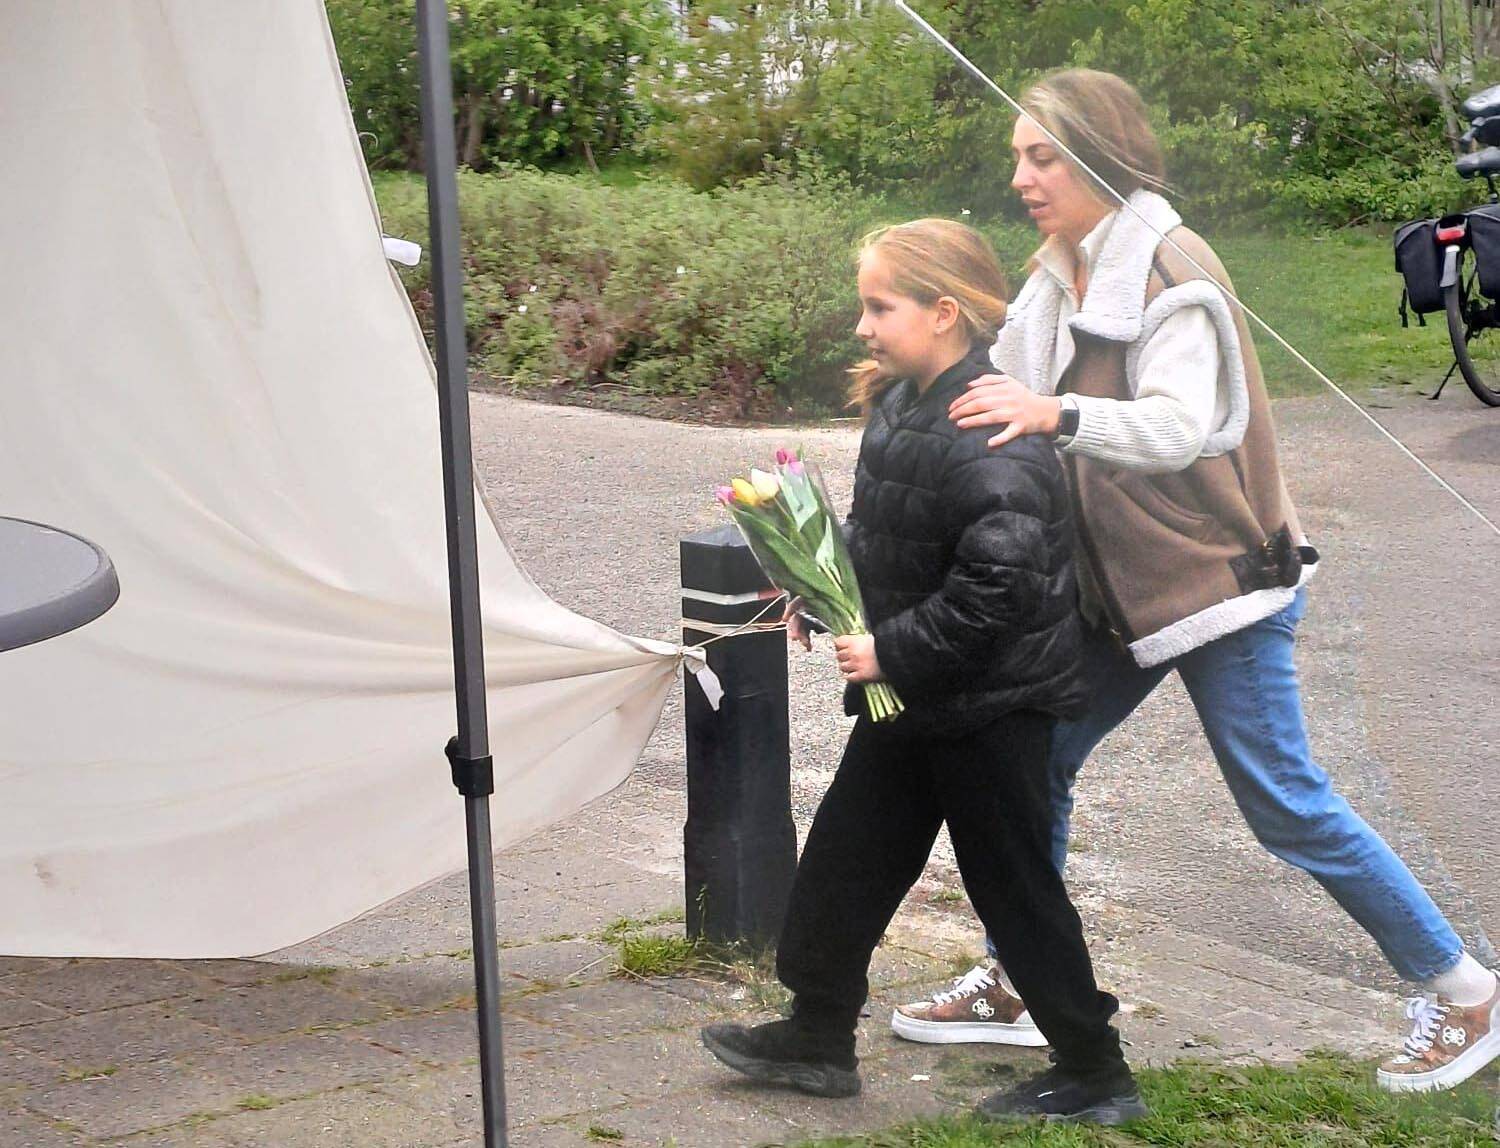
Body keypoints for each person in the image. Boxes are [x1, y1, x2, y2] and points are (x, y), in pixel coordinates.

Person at [889, 68, 1499, 1096]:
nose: (1023, 177)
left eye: (1042, 155)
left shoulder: (1175, 271)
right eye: (1016, 158)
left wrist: (1055, 416)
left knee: (1285, 803)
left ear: (1099, 153)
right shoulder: (1060, 271)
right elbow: (1000, 386)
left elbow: (1182, 426)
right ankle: (1024, 978)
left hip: (1222, 583)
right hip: (1115, 591)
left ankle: (1468, 991)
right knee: (1026, 767)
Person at [699, 218, 1146, 1124]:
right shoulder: (905, 406)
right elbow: (887, 536)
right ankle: (818, 1036)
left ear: (945, 312)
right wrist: (820, 593)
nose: (863, 325)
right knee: (845, 862)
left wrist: (891, 650)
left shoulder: (992, 432)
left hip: (991, 706)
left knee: (1014, 889)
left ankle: (1097, 1071)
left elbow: (1002, 588)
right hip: (914, 700)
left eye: (879, 306)